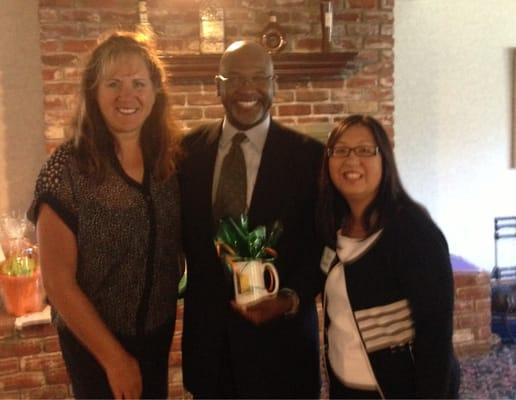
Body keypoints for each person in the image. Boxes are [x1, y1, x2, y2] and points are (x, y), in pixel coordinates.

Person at [27, 31, 182, 399]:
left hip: (157, 335)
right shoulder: (66, 169)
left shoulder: (170, 161)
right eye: (113, 83)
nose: (127, 95)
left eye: (138, 83)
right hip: (94, 344)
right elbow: (58, 282)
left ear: (155, 92)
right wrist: (115, 360)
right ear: (93, 92)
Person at [179, 40, 324, 398]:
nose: (248, 88)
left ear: (275, 85)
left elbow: (326, 244)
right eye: (235, 78)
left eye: (260, 77)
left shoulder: (311, 158)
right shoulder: (186, 153)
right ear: (218, 86)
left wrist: (291, 298)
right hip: (210, 350)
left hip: (283, 350)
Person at [317, 114, 460, 399]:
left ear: (385, 158)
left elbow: (435, 338)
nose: (351, 160)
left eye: (365, 150)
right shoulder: (331, 225)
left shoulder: (414, 231)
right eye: (341, 150)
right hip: (344, 386)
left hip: (396, 390)